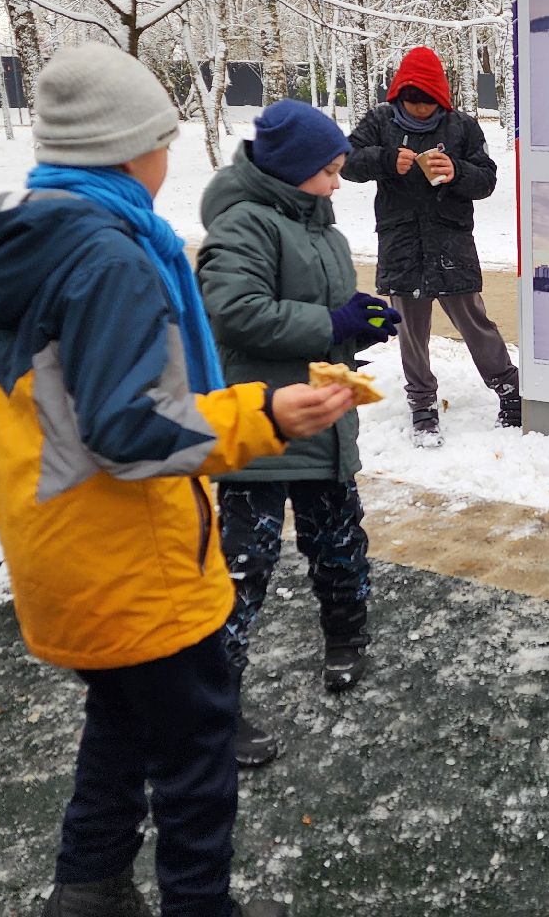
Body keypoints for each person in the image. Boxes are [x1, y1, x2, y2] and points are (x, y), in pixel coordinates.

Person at [0, 42, 350, 917]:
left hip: (60, 542)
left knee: (124, 724)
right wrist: (268, 414)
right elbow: (133, 428)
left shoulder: (24, 242)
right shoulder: (109, 259)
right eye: (163, 136)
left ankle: (89, 887)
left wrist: (18, 521)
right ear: (132, 147)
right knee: (194, 754)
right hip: (131, 554)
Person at [195, 99, 400, 768]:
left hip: (325, 422)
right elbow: (234, 312)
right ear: (291, 170)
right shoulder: (243, 225)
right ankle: (213, 709)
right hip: (258, 425)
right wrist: (334, 324)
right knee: (243, 569)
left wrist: (360, 326)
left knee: (340, 545)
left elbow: (324, 313)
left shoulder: (326, 230)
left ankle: (347, 641)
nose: (338, 183)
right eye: (329, 171)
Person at [343, 45, 519, 447]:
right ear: (399, 96)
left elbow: (487, 180)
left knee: (475, 323)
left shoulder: (462, 126)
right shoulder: (380, 121)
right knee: (411, 330)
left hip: (450, 241)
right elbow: (347, 161)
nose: (420, 108)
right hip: (401, 240)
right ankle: (422, 404)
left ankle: (510, 390)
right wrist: (386, 160)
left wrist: (456, 171)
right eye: (411, 101)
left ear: (440, 97)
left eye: (427, 102)